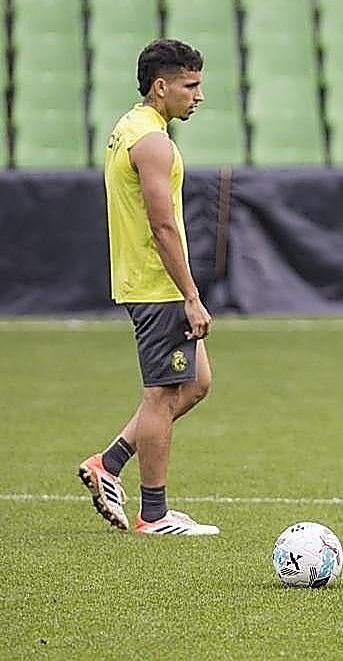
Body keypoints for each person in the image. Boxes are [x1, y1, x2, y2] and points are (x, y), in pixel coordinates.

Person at [77, 39, 219, 536]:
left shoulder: (130, 127)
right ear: (161, 87)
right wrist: (192, 296)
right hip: (157, 287)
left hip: (143, 281)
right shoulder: (155, 142)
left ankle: (108, 464)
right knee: (161, 395)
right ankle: (153, 515)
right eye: (190, 85)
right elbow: (162, 225)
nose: (199, 95)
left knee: (197, 382)